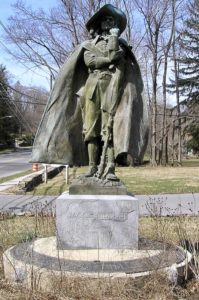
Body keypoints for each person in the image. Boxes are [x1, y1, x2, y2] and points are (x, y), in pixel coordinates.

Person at [31, 4, 149, 181]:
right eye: (105, 19)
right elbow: (91, 62)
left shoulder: (120, 45)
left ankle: (110, 168)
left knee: (109, 129)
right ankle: (93, 167)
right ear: (99, 24)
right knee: (91, 131)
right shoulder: (87, 46)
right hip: (92, 88)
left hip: (113, 88)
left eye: (112, 20)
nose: (109, 22)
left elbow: (117, 58)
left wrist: (114, 40)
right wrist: (108, 59)